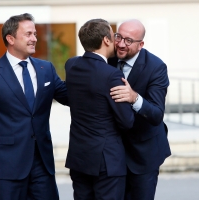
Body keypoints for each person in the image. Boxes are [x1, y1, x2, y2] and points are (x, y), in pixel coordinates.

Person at [0, 13, 68, 200]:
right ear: (10, 38)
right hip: (6, 167)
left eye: (35, 34)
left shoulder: (46, 69)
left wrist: (95, 73)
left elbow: (71, 96)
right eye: (28, 34)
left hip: (42, 164)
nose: (34, 39)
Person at [64, 19, 135, 200]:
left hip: (79, 157)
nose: (117, 41)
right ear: (106, 40)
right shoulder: (111, 75)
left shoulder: (71, 65)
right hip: (106, 161)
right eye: (114, 37)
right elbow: (126, 121)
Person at [108, 19, 171, 200]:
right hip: (114, 153)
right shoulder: (107, 59)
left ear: (140, 44)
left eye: (128, 40)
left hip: (145, 152)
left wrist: (134, 97)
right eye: (118, 36)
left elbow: (157, 114)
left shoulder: (156, 67)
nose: (120, 44)